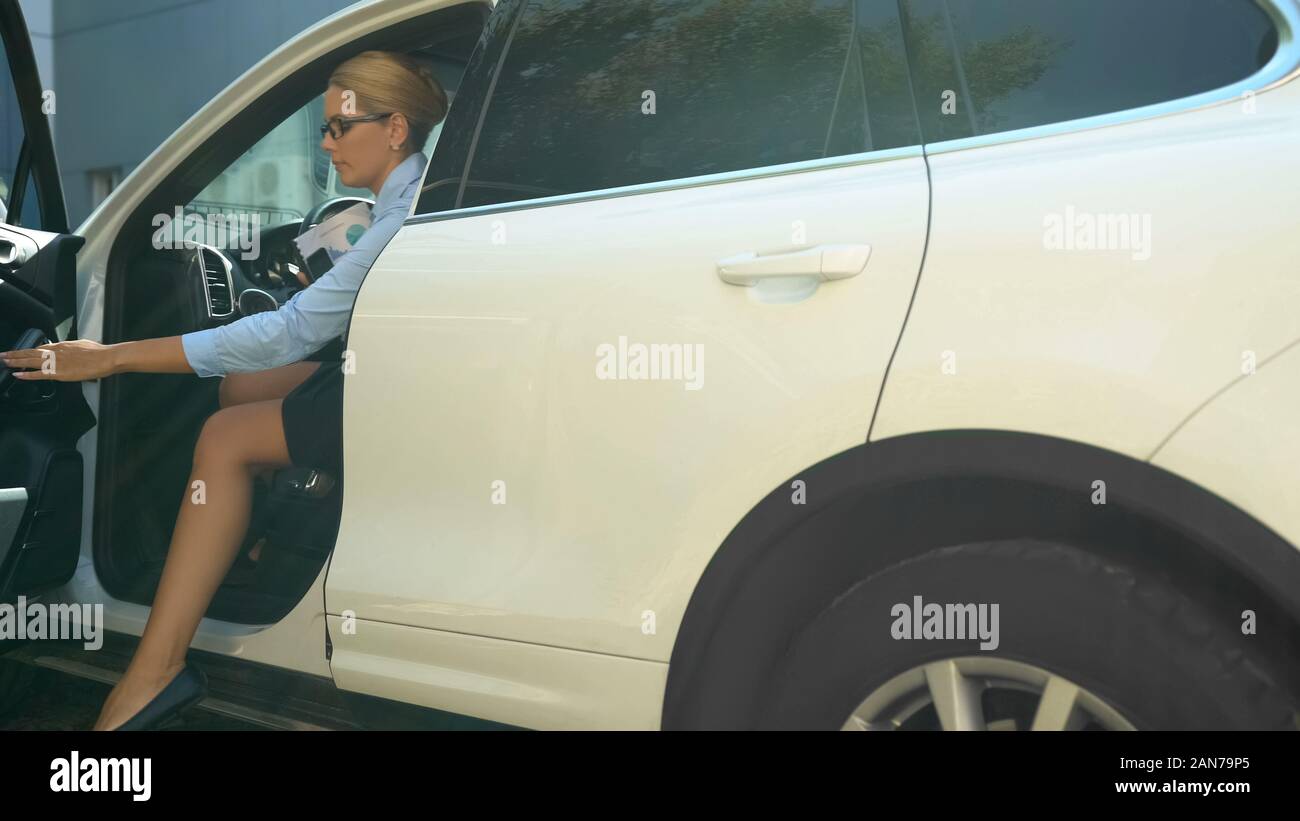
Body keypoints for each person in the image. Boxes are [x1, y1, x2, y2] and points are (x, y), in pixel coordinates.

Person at [0, 50, 448, 730]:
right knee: (244, 387)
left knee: (225, 436)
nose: (326, 143)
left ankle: (155, 671)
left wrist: (113, 357)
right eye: (323, 128)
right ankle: (251, 547)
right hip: (395, 369)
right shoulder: (404, 199)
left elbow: (289, 332)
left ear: (395, 130)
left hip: (407, 392)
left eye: (339, 128)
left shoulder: (398, 218)